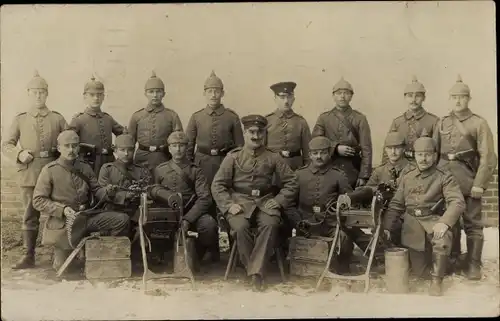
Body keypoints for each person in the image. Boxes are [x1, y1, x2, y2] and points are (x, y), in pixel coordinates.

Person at [211, 114, 298, 291]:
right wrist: (228, 205)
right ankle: (256, 272)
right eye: (251, 132)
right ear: (244, 133)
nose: (256, 136)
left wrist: (279, 200)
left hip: (265, 202)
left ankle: (254, 273)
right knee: (241, 228)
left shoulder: (273, 157)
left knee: (271, 224)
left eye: (260, 132)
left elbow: (292, 181)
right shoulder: (233, 157)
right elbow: (217, 184)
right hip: (240, 203)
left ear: (264, 134)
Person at [32, 130, 130, 271]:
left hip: (86, 217)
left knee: (121, 220)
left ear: (79, 147)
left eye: (74, 146)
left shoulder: (84, 167)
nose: (71, 150)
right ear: (59, 148)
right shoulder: (49, 170)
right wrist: (62, 210)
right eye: (67, 146)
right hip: (65, 224)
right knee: (64, 269)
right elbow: (38, 200)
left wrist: (107, 191)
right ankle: (73, 254)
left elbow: (97, 191)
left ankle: (98, 251)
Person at [383, 133, 465, 296]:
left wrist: (444, 222)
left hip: (434, 221)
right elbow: (396, 205)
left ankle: (437, 282)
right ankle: (450, 263)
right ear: (414, 155)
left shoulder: (444, 177)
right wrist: (386, 227)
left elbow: (457, 202)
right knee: (420, 272)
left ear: (435, 156)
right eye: (420, 155)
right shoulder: (407, 177)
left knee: (441, 240)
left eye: (428, 155)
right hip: (412, 225)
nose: (424, 159)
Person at [1, 70, 68, 270]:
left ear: (47, 94)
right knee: (30, 214)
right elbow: (6, 144)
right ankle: (28, 255)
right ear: (28, 93)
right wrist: (19, 154)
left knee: (57, 212)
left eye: (42, 92)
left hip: (54, 173)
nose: (38, 95)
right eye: (34, 92)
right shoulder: (20, 119)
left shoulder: (57, 119)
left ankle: (59, 254)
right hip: (30, 173)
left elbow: (69, 140)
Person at [433, 75, 497, 280]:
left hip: (469, 181)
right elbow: (434, 153)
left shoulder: (479, 123)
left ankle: (473, 265)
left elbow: (488, 157)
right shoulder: (441, 123)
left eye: (462, 97)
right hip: (445, 181)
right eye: (454, 97)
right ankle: (452, 260)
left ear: (469, 99)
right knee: (450, 221)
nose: (458, 101)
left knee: (473, 223)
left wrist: (479, 184)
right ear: (449, 99)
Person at [286, 136, 356, 273]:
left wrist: (338, 219)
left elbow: (348, 203)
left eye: (323, 152)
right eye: (315, 153)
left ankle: (341, 269)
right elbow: (289, 204)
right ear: (310, 154)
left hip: (330, 223)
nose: (319, 156)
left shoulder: (339, 175)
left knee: (344, 237)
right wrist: (298, 222)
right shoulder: (299, 175)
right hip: (305, 223)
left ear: (329, 153)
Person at [153, 131, 219, 263]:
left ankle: (198, 253)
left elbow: (205, 198)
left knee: (209, 225)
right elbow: (155, 193)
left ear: (187, 147)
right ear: (169, 148)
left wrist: (188, 219)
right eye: (174, 146)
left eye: (181, 146)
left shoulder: (196, 170)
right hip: (168, 212)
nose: (178, 149)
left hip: (191, 211)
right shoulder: (160, 170)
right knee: (152, 223)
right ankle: (160, 253)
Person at [311, 77, 373, 189]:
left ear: (351, 96)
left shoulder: (360, 118)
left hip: (353, 168)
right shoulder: (324, 118)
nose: (342, 96)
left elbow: (366, 149)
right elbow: (315, 142)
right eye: (339, 93)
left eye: (346, 93)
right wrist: (335, 148)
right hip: (329, 166)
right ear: (333, 96)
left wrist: (364, 175)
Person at [185, 70, 244, 185]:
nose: (213, 95)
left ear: (222, 93)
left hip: (224, 164)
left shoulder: (232, 117)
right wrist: (190, 168)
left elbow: (239, 147)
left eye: (216, 91)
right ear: (204, 93)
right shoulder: (196, 117)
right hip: (201, 165)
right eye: (210, 91)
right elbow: (189, 147)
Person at [68, 75, 124, 175]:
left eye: (99, 95)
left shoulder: (107, 118)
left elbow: (124, 134)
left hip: (108, 163)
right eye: (92, 95)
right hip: (88, 164)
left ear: (103, 97)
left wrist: (119, 149)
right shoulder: (79, 120)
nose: (96, 98)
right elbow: (67, 140)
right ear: (85, 96)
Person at [366, 130, 414, 246]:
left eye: (397, 148)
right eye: (390, 148)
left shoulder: (412, 169)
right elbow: (368, 190)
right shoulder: (379, 171)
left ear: (403, 149)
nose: (393, 152)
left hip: (406, 214)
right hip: (384, 214)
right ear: (385, 149)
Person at [128, 71, 183, 171]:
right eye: (151, 91)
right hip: (141, 159)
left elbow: (179, 141)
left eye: (158, 91)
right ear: (145, 94)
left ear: (163, 94)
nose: (155, 95)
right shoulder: (137, 116)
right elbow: (129, 142)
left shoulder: (171, 116)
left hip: (164, 159)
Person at [381, 76, 439, 164]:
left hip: (424, 165)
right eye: (410, 96)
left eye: (418, 96)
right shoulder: (397, 122)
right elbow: (388, 149)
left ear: (424, 98)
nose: (413, 100)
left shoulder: (433, 121)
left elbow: (436, 150)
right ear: (405, 98)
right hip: (401, 167)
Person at [264, 81, 311, 171]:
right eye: (282, 97)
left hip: (296, 168)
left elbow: (307, 152)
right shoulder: (267, 121)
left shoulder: (301, 121)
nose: (286, 101)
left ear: (293, 98)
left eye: (289, 97)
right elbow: (261, 151)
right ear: (275, 99)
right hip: (272, 169)